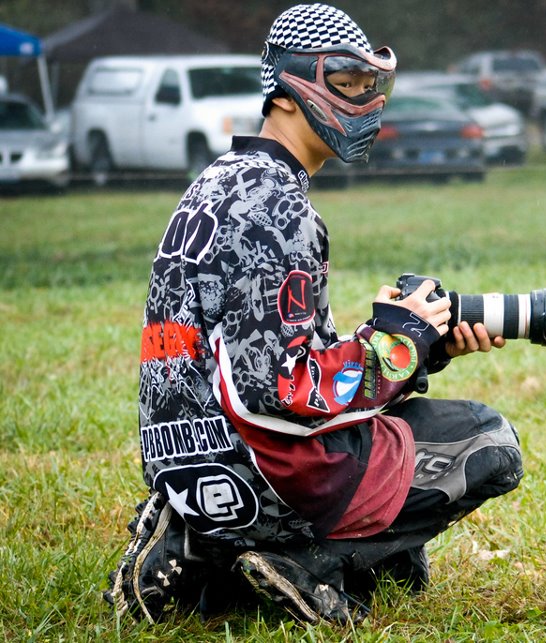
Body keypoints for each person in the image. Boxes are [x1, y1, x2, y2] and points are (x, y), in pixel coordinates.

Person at [103, 3, 523, 626]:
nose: (363, 104)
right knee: (488, 441)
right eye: (344, 84)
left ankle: (199, 551)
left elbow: (266, 358)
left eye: (368, 87)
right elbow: (280, 391)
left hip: (184, 470)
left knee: (404, 521)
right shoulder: (279, 211)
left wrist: (417, 348)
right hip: (260, 474)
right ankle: (302, 560)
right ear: (288, 94)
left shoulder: (218, 183)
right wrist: (398, 342)